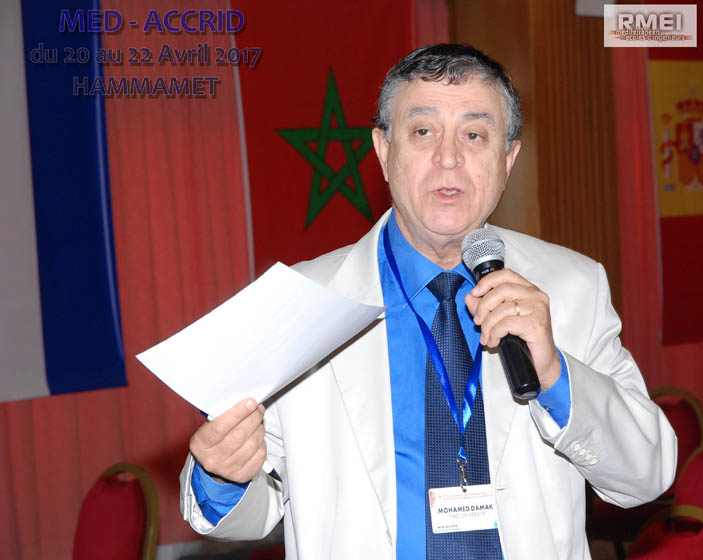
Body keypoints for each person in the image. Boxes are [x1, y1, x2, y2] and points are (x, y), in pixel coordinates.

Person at [180, 44, 677, 559]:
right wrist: (224, 476)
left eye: (474, 135)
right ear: (383, 151)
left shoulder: (574, 286)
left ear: (508, 159)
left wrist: (555, 374)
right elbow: (260, 506)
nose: (448, 158)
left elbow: (648, 474)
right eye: (423, 131)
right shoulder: (304, 299)